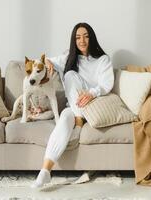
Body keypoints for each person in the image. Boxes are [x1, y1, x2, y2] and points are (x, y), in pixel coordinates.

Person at [31, 22, 114, 188]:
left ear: (92, 38)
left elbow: (106, 84)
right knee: (64, 118)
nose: (82, 40)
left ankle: (78, 119)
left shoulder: (103, 60)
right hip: (76, 109)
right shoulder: (69, 57)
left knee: (69, 75)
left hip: (94, 105)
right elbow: (48, 61)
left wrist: (91, 93)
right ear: (74, 41)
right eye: (77, 37)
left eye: (85, 36)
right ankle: (46, 171)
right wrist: (48, 63)